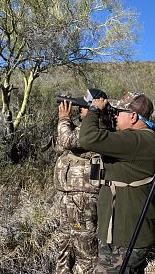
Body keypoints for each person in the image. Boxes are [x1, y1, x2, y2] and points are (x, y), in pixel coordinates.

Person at [79, 91, 155, 273]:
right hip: (123, 230)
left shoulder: (137, 139)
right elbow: (107, 139)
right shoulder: (140, 138)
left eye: (118, 112)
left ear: (133, 116)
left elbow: (87, 138)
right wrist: (104, 118)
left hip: (125, 236)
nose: (115, 116)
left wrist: (93, 110)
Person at [54, 88, 108, 274]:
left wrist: (63, 119)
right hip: (68, 198)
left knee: (84, 251)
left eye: (85, 106)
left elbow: (67, 140)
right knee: (65, 245)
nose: (80, 109)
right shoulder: (83, 128)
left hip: (83, 201)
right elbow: (61, 144)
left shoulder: (97, 129)